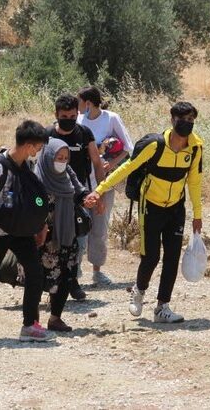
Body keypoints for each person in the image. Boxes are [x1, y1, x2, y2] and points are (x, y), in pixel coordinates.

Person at [85, 101, 203, 323]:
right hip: (151, 206)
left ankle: (162, 308)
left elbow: (195, 182)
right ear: (172, 120)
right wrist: (99, 191)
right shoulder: (156, 145)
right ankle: (139, 292)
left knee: (172, 257)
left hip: (176, 208)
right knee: (150, 257)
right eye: (182, 120)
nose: (186, 124)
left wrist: (198, 214)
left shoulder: (195, 148)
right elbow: (127, 168)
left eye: (190, 121)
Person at [0, 120, 54, 342]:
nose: (38, 151)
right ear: (29, 145)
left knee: (35, 274)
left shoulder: (26, 168)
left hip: (21, 231)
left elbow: (35, 198)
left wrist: (41, 224)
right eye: (37, 147)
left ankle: (29, 325)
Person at [46, 93, 105, 301]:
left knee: (79, 241)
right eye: (64, 116)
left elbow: (97, 163)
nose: (69, 120)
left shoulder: (84, 133)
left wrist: (100, 192)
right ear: (56, 114)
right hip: (53, 199)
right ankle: (53, 283)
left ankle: (72, 281)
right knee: (53, 242)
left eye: (72, 116)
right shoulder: (48, 135)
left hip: (79, 196)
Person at [35, 139, 94, 332]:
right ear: (48, 156)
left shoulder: (67, 172)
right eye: (58, 157)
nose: (61, 161)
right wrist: (40, 224)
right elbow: (34, 201)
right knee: (37, 279)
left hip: (67, 234)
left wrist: (88, 198)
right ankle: (31, 321)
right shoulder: (37, 177)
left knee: (66, 277)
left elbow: (79, 191)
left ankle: (55, 318)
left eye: (65, 157)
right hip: (44, 238)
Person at [77, 86, 134, 285]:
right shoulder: (78, 120)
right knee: (78, 224)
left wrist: (113, 163)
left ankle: (97, 270)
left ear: (89, 103)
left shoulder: (111, 118)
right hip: (81, 181)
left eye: (80, 102)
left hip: (104, 182)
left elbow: (128, 147)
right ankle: (75, 270)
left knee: (100, 226)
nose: (78, 106)